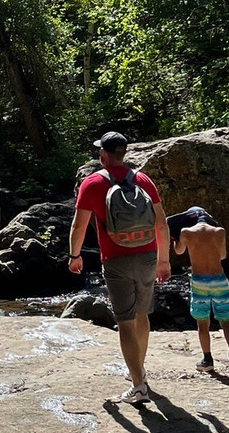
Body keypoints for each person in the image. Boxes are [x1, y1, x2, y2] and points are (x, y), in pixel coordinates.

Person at [67, 131, 171, 404]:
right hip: (147, 255)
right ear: (123, 153)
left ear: (103, 154)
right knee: (142, 315)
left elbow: (79, 225)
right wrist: (164, 260)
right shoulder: (142, 180)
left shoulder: (92, 183)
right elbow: (161, 224)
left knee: (125, 321)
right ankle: (140, 370)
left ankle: (138, 385)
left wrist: (75, 255)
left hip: (115, 260)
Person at [168, 206, 229, 376]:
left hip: (199, 281)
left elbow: (179, 251)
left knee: (202, 322)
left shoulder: (186, 232)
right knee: (226, 320)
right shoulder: (219, 231)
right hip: (219, 280)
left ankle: (207, 359)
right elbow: (222, 255)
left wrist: (175, 238)